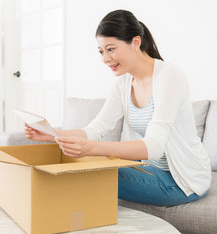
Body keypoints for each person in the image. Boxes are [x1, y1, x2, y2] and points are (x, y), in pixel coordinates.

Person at [24, 9, 211, 206]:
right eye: (101, 51)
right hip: (149, 167)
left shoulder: (169, 76)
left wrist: (91, 149)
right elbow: (96, 129)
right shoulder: (124, 83)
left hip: (181, 180)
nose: (105, 59)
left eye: (111, 49)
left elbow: (154, 147)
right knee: (82, 165)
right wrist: (51, 135)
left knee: (87, 172)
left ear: (136, 42)